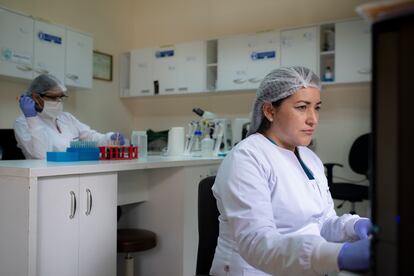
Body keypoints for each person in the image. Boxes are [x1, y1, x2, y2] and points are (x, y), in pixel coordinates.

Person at [210, 66, 371, 276]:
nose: (313, 119)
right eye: (302, 107)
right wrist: (339, 256)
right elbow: (257, 244)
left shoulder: (309, 158)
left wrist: (355, 226)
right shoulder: (247, 159)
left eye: (317, 107)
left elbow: (321, 223)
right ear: (269, 111)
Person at [14, 74, 125, 159]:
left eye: (61, 97)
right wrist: (32, 118)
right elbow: (41, 155)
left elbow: (89, 137)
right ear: (35, 97)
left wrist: (109, 138)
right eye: (53, 97)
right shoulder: (23, 123)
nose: (58, 101)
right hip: (45, 179)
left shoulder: (66, 117)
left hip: (74, 170)